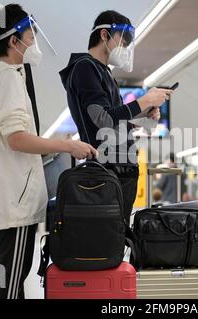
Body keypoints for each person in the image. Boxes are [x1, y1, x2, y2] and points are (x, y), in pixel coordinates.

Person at [0, 4, 96, 299]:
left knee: (6, 283)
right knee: (11, 285)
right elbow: (17, 139)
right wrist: (67, 145)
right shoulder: (8, 78)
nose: (34, 42)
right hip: (13, 204)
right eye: (30, 35)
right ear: (13, 41)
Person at [59, 10, 172, 224]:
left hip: (120, 170)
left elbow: (115, 123)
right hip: (106, 171)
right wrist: (144, 101)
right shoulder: (85, 67)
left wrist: (144, 117)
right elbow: (103, 120)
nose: (126, 47)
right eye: (123, 40)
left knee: (116, 239)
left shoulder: (104, 73)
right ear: (104, 35)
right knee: (107, 240)